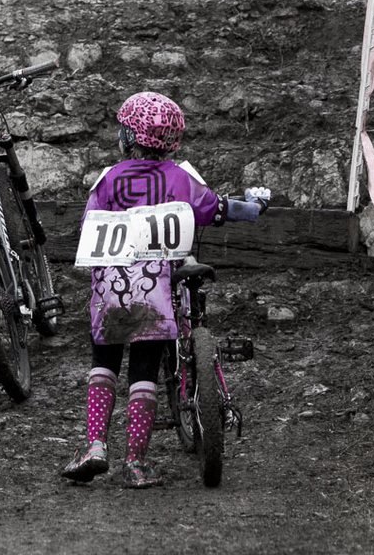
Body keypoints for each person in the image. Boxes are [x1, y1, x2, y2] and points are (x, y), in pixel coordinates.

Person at [61, 92, 271, 488]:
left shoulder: (107, 178)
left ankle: (94, 446)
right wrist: (254, 208)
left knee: (103, 363)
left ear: (128, 136)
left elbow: (89, 226)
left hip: (111, 286)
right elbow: (217, 209)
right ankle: (136, 462)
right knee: (143, 371)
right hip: (155, 286)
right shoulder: (180, 179)